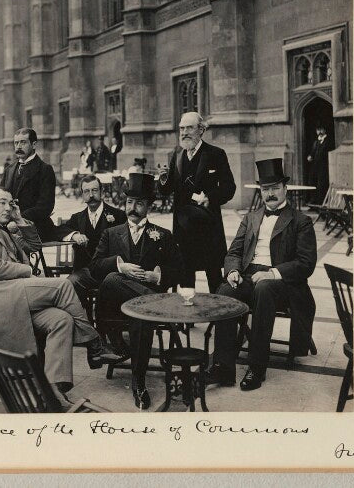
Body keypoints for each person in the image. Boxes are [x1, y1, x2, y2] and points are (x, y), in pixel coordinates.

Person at [0, 187, 122, 398]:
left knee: (63, 319)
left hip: (14, 295)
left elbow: (35, 246)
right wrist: (28, 270)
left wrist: (19, 220)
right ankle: (94, 344)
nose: (7, 207)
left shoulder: (7, 229)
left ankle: (54, 389)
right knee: (64, 285)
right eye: (1, 202)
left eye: (10, 203)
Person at [207, 158, 317, 391]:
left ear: (285, 189)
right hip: (249, 274)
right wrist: (234, 271)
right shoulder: (251, 217)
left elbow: (306, 264)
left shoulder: (302, 221)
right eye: (266, 189)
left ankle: (257, 367)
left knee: (264, 288)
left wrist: (274, 273)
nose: (270, 194)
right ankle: (223, 367)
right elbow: (234, 251)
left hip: (284, 281)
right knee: (225, 290)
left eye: (275, 188)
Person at [91, 173, 184, 409]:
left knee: (141, 316)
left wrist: (159, 275)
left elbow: (180, 271)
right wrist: (120, 265)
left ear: (148, 206)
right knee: (112, 277)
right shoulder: (110, 234)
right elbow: (94, 268)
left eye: (139, 203)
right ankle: (154, 302)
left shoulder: (163, 235)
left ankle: (138, 382)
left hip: (141, 314)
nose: (133, 208)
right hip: (114, 307)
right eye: (129, 203)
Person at [158, 111, 236, 293]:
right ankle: (187, 318)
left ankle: (219, 316)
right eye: (181, 128)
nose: (184, 132)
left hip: (208, 226)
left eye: (189, 128)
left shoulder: (216, 154)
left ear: (201, 130)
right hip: (182, 228)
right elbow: (166, 189)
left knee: (214, 274)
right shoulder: (176, 154)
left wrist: (210, 197)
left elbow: (229, 187)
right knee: (185, 272)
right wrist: (162, 180)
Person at [57, 174, 127, 312]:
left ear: (102, 192)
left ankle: (108, 326)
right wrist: (74, 235)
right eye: (86, 191)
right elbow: (58, 230)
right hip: (85, 272)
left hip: (110, 272)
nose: (91, 195)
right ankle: (85, 322)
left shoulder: (118, 215)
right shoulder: (77, 218)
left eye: (94, 190)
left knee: (113, 290)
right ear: (82, 195)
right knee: (70, 283)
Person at [0, 128, 58, 242]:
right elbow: (0, 197)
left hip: (35, 227)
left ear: (34, 144)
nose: (19, 146)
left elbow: (45, 206)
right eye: (16, 143)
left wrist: (18, 221)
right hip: (9, 225)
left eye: (23, 142)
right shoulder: (9, 170)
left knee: (5, 243)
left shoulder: (44, 170)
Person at [307, 124, 333, 202]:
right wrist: (310, 157)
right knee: (312, 182)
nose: (319, 132)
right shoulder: (315, 142)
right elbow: (312, 153)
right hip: (315, 167)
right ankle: (314, 201)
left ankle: (321, 202)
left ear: (324, 130)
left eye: (321, 129)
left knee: (321, 184)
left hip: (324, 167)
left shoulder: (328, 141)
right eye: (318, 130)